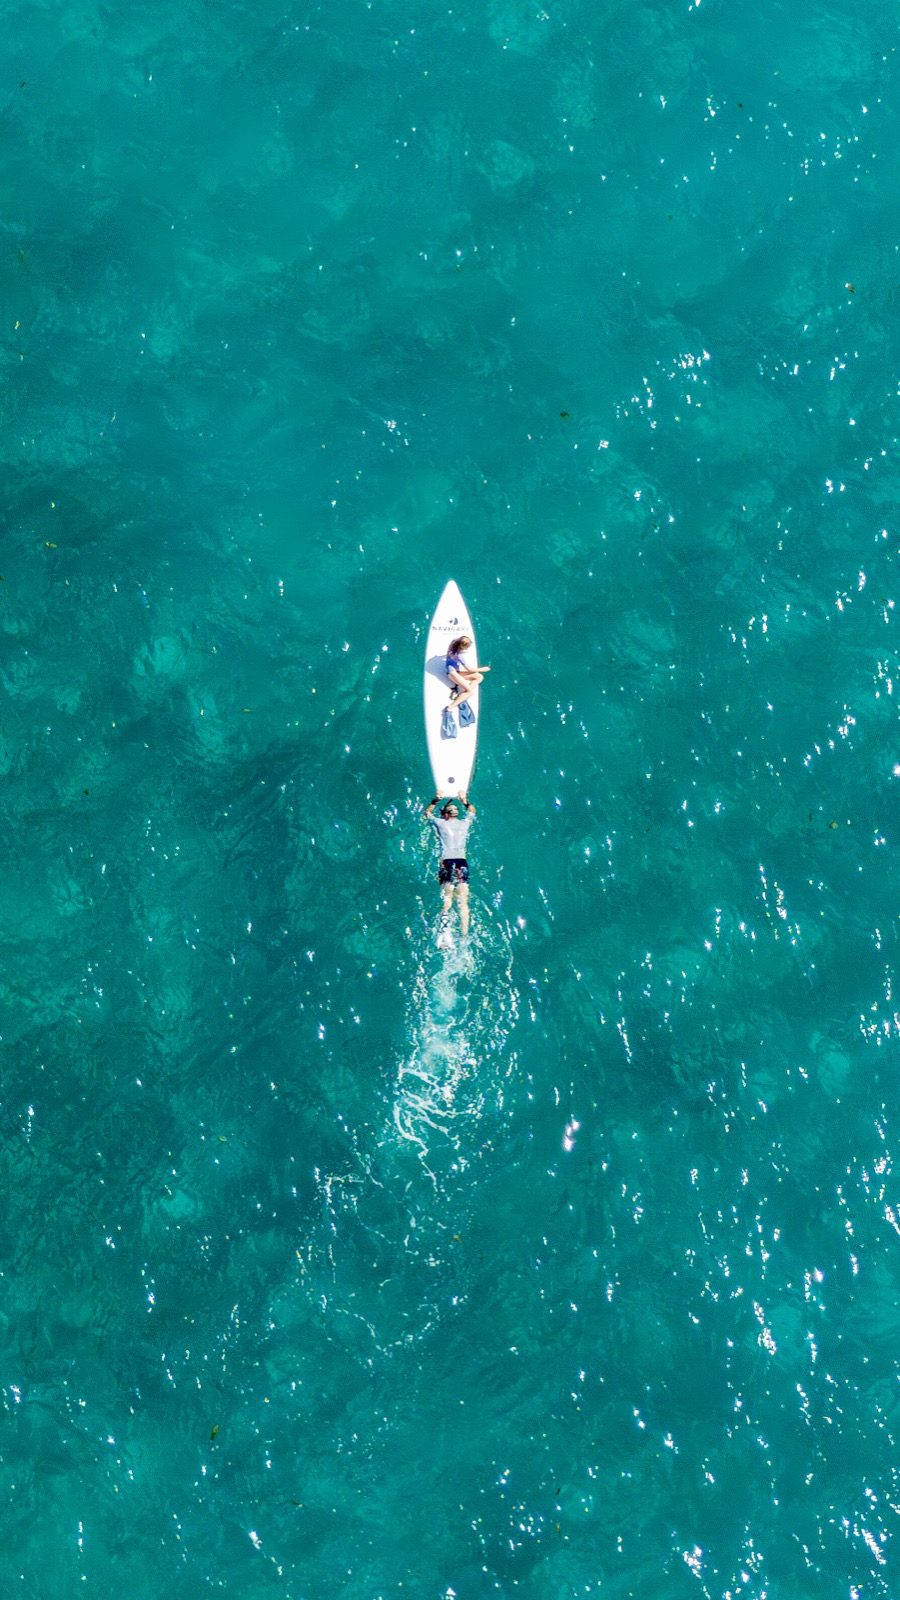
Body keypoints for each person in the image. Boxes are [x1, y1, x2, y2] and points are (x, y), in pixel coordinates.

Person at [422, 790, 477, 940]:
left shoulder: (440, 823)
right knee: (463, 901)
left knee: (448, 898)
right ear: (455, 814)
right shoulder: (464, 824)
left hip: (447, 862)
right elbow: (472, 811)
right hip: (461, 862)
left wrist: (435, 800)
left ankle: (444, 931)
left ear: (445, 815)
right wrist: (464, 800)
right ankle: (464, 936)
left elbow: (426, 814)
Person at [445, 635, 491, 712]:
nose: (468, 648)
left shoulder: (453, 642)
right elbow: (469, 669)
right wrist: (483, 669)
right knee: (470, 692)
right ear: (462, 646)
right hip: (452, 674)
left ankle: (463, 693)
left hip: (454, 671)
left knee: (479, 677)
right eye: (467, 647)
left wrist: (462, 650)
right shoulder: (459, 656)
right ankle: (450, 707)